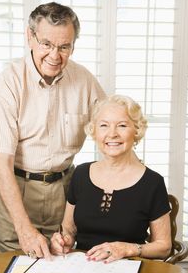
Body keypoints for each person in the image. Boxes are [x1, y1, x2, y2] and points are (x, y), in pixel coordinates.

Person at [0, 2, 105, 258]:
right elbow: (1, 164)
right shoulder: (8, 84)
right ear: (30, 37)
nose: (55, 55)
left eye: (64, 47)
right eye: (46, 44)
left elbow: (111, 130)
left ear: (73, 46)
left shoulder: (85, 81)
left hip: (63, 190)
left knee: (60, 270)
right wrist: (24, 229)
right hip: (15, 187)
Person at [50, 94, 172, 262]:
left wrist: (127, 249)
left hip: (127, 272)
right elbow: (68, 229)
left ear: (136, 131)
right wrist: (63, 240)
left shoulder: (152, 182)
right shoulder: (81, 174)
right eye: (104, 126)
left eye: (122, 125)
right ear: (94, 131)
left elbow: (164, 247)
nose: (112, 134)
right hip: (82, 270)